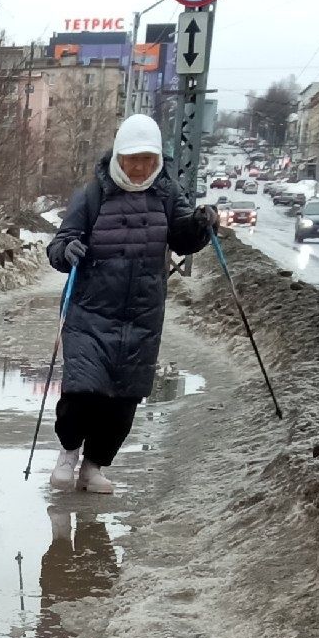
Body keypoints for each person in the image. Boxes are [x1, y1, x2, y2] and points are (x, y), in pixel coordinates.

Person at [43, 114, 215, 494]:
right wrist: (67, 250)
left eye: (147, 160)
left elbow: (183, 240)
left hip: (142, 316)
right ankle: (68, 454)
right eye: (132, 160)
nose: (139, 168)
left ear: (157, 160)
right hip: (90, 312)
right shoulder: (92, 195)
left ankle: (93, 467)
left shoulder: (167, 194)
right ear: (119, 156)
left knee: (123, 400)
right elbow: (59, 245)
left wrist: (202, 225)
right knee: (82, 391)